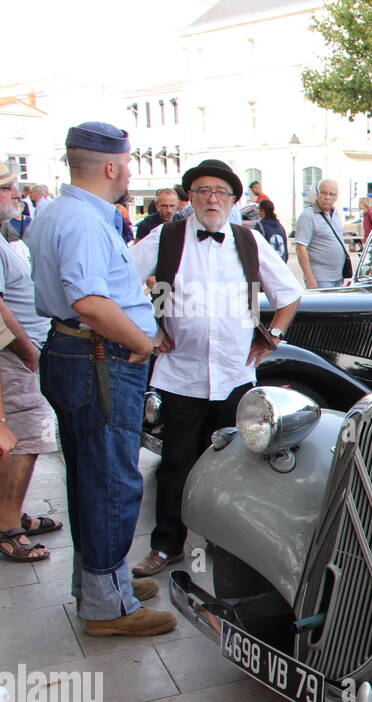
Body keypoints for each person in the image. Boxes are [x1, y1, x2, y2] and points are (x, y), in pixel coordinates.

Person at [26, 122, 175, 637]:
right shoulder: (86, 222)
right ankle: (109, 607)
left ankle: (101, 584)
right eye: (129, 163)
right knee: (112, 479)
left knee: (91, 475)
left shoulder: (57, 212)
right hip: (100, 358)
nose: (130, 171)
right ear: (111, 166)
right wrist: (140, 341)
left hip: (75, 352)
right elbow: (90, 302)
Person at [130, 159, 303, 579]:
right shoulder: (166, 238)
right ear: (190, 197)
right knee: (175, 463)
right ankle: (167, 544)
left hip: (233, 375)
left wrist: (273, 336)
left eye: (221, 193)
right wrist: (149, 332)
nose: (212, 199)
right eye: (203, 191)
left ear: (232, 200)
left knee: (238, 464)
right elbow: (120, 281)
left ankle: (232, 547)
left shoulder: (248, 240)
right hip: (180, 374)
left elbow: (290, 293)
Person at [0, 162, 61, 563]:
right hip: (15, 358)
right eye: (7, 189)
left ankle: (10, 512)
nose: (15, 195)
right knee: (24, 442)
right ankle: (8, 529)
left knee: (27, 440)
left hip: (21, 354)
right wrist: (27, 351)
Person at [294, 179, 348, 289]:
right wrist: (310, 279)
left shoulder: (336, 213)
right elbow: (301, 248)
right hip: (320, 279)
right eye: (324, 192)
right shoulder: (308, 216)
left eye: (331, 194)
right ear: (318, 193)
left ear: (336, 197)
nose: (327, 197)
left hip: (337, 277)